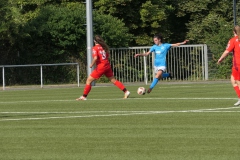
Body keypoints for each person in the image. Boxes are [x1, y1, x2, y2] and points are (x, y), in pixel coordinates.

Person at [76, 35, 130, 100]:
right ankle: (126, 91)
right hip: (107, 65)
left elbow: (95, 58)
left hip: (101, 67)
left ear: (94, 41)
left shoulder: (95, 48)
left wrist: (91, 64)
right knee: (113, 80)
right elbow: (107, 56)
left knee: (88, 80)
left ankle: (84, 97)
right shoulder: (104, 47)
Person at [218, 25, 240, 105]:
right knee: (233, 80)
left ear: (234, 32)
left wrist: (221, 59)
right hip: (237, 65)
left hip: (238, 64)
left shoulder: (233, 40)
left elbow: (227, 51)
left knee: (237, 81)